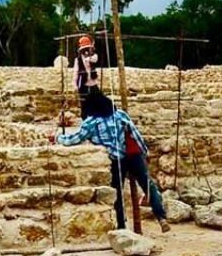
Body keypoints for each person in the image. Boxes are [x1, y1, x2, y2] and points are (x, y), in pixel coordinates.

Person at [52, 92, 170, 233]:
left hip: (115, 160)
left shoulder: (91, 123)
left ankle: (121, 226)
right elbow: (135, 135)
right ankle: (161, 217)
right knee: (148, 185)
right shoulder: (120, 115)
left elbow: (75, 139)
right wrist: (144, 153)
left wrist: (58, 138)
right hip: (133, 155)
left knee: (117, 193)